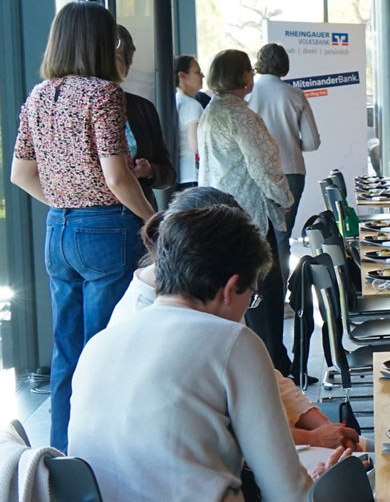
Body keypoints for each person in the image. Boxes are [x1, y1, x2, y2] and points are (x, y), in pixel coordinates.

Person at [68, 204, 349, 501]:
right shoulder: (232, 340)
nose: (248, 307)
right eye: (251, 295)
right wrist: (319, 486)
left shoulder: (99, 344)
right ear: (229, 289)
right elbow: (288, 494)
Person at [106, 187, 361, 452]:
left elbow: (264, 372)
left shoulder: (204, 293)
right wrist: (313, 439)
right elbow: (226, 435)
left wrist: (321, 426)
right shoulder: (146, 323)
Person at [9, 1, 156, 452]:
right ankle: (103, 459)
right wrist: (154, 219)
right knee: (104, 353)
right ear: (99, 41)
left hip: (58, 230)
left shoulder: (39, 94)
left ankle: (62, 458)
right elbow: (117, 176)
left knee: (67, 354)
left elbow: (20, 173)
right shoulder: (103, 94)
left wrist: (66, 199)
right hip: (105, 231)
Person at [199, 49, 295, 376]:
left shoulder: (212, 111)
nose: (252, 76)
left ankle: (267, 367)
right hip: (249, 215)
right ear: (241, 77)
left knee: (246, 297)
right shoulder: (240, 115)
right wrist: (283, 196)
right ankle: (274, 370)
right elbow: (262, 164)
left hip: (220, 212)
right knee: (264, 296)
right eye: (249, 72)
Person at [247, 43, 321, 247]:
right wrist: (290, 143)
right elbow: (312, 142)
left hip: (256, 172)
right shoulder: (295, 95)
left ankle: (258, 279)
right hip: (291, 170)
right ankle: (283, 279)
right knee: (282, 238)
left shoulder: (246, 96)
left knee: (257, 239)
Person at [115, 25, 176, 210]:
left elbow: (168, 175)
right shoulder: (76, 107)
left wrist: (149, 171)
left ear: (126, 68)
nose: (106, 63)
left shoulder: (142, 108)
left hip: (140, 214)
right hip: (97, 216)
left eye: (116, 58)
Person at [174, 55, 204, 191]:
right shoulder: (192, 105)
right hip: (193, 176)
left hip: (179, 174)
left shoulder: (175, 101)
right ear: (182, 75)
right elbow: (196, 145)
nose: (202, 76)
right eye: (197, 72)